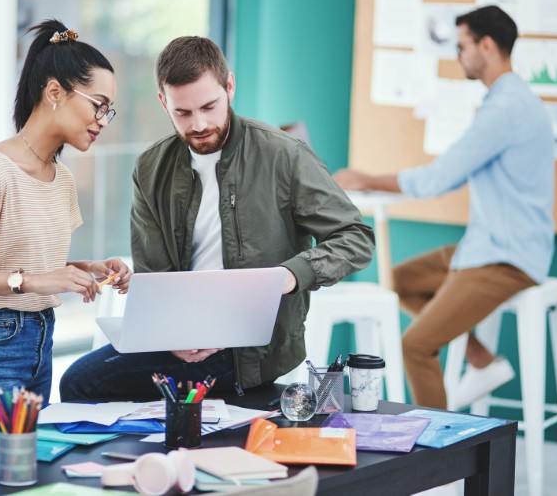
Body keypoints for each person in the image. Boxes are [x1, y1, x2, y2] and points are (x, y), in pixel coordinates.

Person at [60, 36, 375, 400]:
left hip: (252, 350)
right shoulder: (150, 168)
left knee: (82, 384)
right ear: (164, 103)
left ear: (230, 86)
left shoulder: (283, 156)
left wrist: (290, 275)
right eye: (183, 113)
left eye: (209, 106)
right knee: (79, 381)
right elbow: (154, 271)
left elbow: (356, 237)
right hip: (180, 333)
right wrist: (171, 333)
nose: (198, 124)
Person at [334, 5, 554, 410]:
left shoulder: (505, 110)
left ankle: (441, 462)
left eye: (462, 46)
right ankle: (481, 359)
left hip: (506, 255)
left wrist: (365, 179)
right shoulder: (511, 99)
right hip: (489, 243)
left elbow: (438, 179)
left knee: (416, 347)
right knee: (397, 282)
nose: (457, 56)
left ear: (486, 46)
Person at [0, 19, 132, 422]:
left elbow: (24, 261)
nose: (103, 120)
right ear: (55, 91)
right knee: (2, 473)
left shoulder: (62, 179)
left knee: (27, 472)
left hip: (39, 340)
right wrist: (32, 282)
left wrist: (85, 269)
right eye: (98, 105)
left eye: (109, 110)